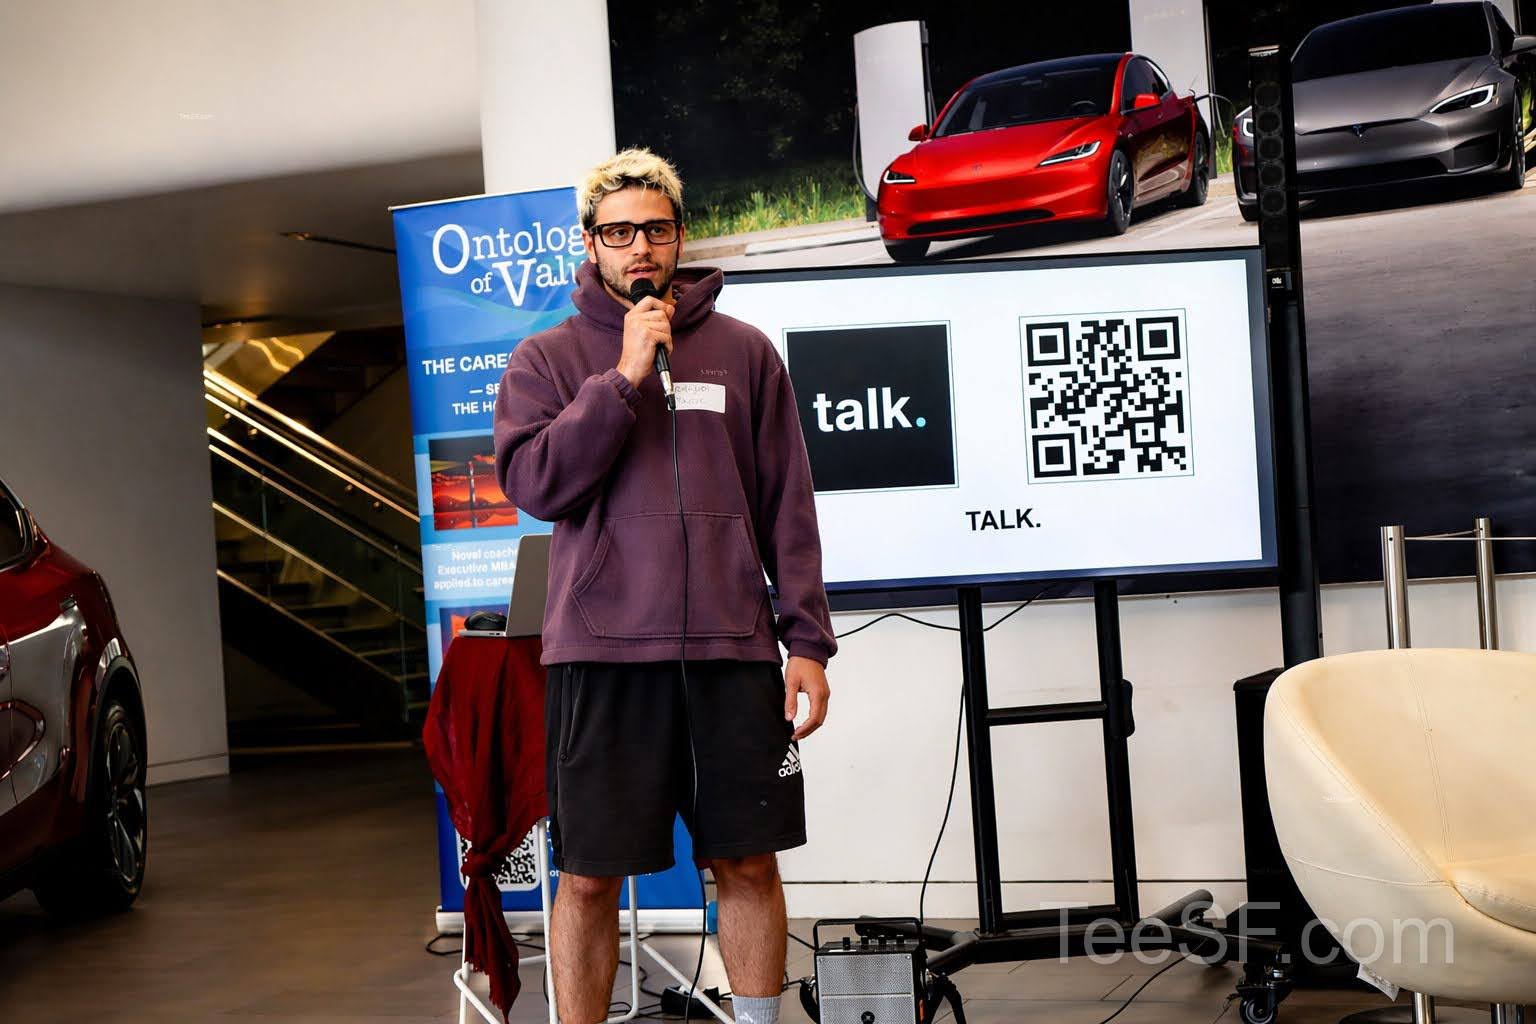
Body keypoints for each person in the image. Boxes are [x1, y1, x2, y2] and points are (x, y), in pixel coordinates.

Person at [492, 147, 837, 1024]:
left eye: (653, 228)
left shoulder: (745, 353)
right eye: (617, 232)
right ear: (591, 244)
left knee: (750, 864)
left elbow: (785, 506)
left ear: (680, 235)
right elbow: (537, 486)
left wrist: (806, 642)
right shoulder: (547, 358)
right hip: (602, 659)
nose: (637, 248)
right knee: (587, 876)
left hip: (730, 653)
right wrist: (622, 380)